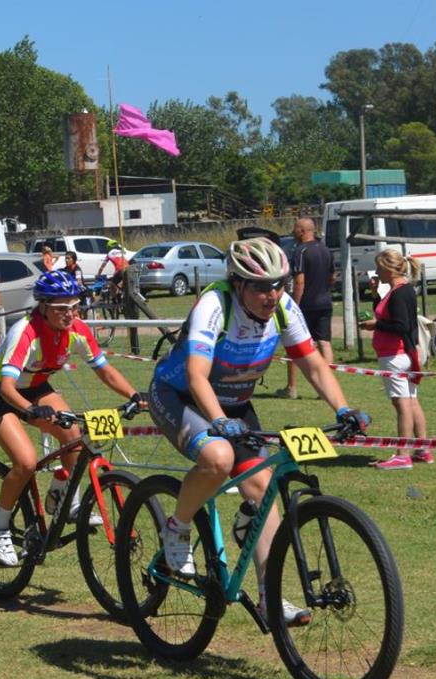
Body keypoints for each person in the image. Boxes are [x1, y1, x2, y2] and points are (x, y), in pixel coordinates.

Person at [148, 237, 370, 626]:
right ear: (238, 284)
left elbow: (314, 366)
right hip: (180, 395)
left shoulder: (285, 308)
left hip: (234, 406)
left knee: (265, 491)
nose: (272, 295)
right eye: (261, 286)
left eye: (278, 283)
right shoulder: (215, 305)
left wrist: (344, 408)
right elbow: (197, 376)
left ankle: (269, 597)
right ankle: (177, 528)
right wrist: (218, 421)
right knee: (218, 457)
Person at [0, 270, 146, 566]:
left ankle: (67, 502)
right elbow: (6, 388)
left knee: (74, 436)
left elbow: (104, 370)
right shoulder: (26, 332)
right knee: (26, 461)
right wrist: (29, 411)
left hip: (36, 385)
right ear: (43, 308)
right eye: (61, 308)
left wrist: (133, 395)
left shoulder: (77, 329)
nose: (70, 314)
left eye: (74, 306)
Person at [360, 250, 430, 470]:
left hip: (395, 354)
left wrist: (375, 326)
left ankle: (402, 454)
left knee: (402, 404)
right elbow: (388, 314)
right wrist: (375, 296)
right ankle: (422, 449)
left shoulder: (400, 292)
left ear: (389, 269)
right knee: (411, 400)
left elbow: (400, 325)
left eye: (379, 268)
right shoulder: (400, 290)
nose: (377, 272)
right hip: (402, 353)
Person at [276, 218, 335, 399]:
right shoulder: (326, 250)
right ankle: (328, 387)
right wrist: (324, 290)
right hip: (326, 301)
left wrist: (295, 304)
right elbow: (332, 276)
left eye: (295, 229)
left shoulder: (301, 251)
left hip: (307, 304)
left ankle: (291, 387)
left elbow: (299, 281)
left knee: (293, 343)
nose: (293, 232)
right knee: (324, 342)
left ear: (302, 231)